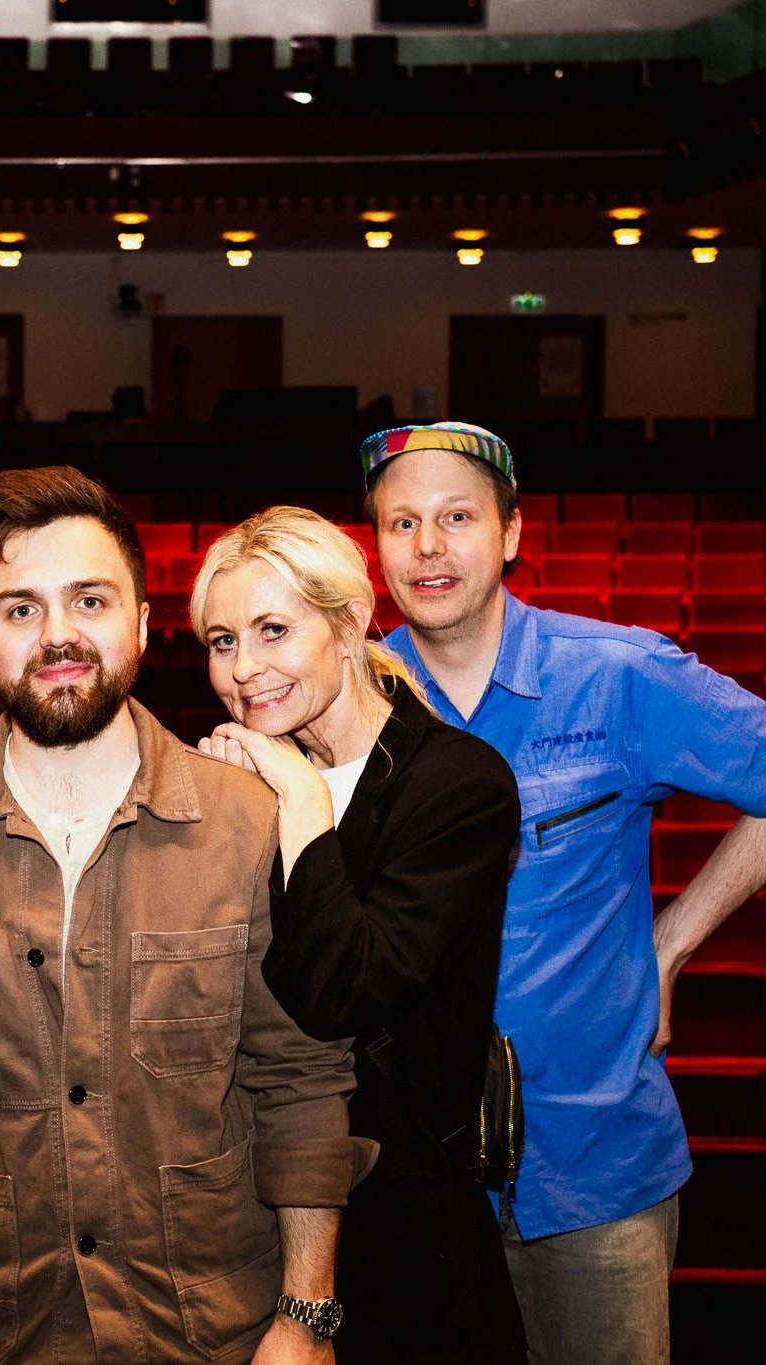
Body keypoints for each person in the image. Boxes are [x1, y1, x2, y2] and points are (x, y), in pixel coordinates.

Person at [0, 465, 370, 1365]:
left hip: (211, 1337)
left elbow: (303, 1083)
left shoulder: (250, 823)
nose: (59, 635)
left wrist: (305, 1315)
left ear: (145, 623)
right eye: (21, 608)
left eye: (89, 599)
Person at [362, 423, 766, 1365]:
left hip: (594, 1170)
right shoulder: (352, 698)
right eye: (401, 522)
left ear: (509, 534)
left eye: (457, 517)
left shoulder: (619, 674)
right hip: (415, 1182)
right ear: (374, 547)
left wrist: (671, 945)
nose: (427, 546)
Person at [190, 506, 527, 1365]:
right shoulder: (231, 783)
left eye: (273, 629)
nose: (245, 668)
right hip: (247, 1216)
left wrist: (302, 804)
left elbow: (345, 988)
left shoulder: (458, 785)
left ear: (347, 623)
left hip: (404, 1231)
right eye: (223, 640)